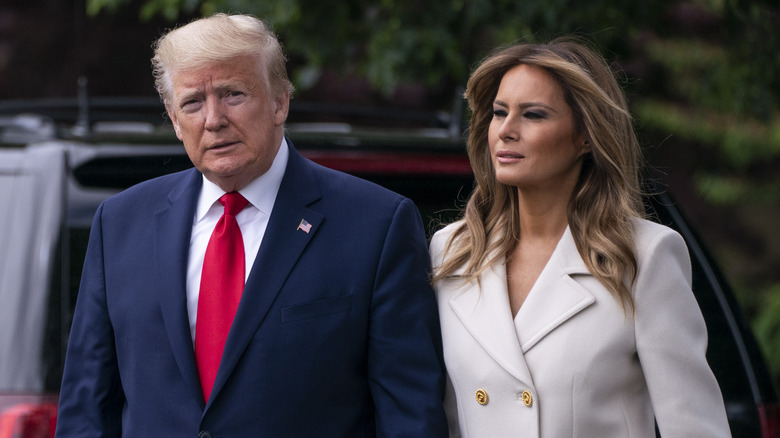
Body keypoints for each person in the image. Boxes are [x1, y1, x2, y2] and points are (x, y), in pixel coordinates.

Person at [55, 13, 448, 437]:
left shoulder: (376, 224)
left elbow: (410, 417)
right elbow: (87, 409)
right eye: (192, 103)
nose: (213, 119)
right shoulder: (119, 223)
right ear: (173, 119)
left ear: (280, 101)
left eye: (233, 94)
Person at [429, 38, 731, 437]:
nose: (505, 130)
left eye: (533, 115)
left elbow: (695, 428)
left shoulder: (644, 255)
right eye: (499, 112)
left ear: (586, 137)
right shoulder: (453, 251)